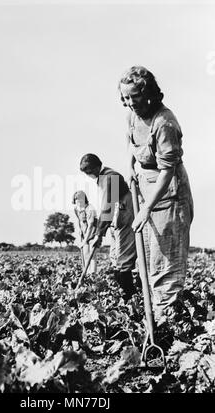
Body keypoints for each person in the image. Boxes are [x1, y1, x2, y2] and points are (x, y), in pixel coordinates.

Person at [118, 65, 194, 321]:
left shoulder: (164, 122)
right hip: (145, 189)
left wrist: (147, 208)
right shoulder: (132, 115)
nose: (130, 103)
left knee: (166, 266)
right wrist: (130, 164)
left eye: (135, 97)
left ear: (148, 92)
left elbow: (167, 170)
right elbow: (130, 140)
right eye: (126, 98)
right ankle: (156, 321)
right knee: (148, 263)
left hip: (170, 196)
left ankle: (169, 329)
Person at [80, 154, 137, 301]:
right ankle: (121, 293)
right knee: (115, 257)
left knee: (123, 259)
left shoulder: (110, 177)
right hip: (117, 217)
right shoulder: (103, 178)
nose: (89, 175)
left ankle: (129, 298)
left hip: (125, 214)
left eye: (89, 171)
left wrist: (99, 234)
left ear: (97, 167)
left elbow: (108, 207)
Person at [72, 190, 98, 275]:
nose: (78, 202)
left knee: (92, 255)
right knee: (85, 254)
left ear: (84, 200)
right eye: (76, 200)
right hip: (84, 232)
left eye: (80, 200)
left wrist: (84, 241)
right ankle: (87, 273)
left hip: (93, 233)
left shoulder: (90, 209)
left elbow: (91, 226)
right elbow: (78, 220)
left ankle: (93, 274)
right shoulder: (76, 209)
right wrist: (79, 230)